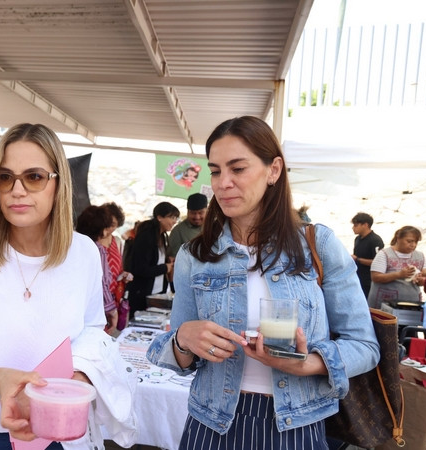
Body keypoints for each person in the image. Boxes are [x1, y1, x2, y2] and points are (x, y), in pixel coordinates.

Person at [146, 115, 379, 449]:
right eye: (215, 171)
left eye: (238, 168)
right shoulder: (194, 256)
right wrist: (183, 339)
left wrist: (307, 364)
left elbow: (365, 346)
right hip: (211, 423)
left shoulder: (319, 245)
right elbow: (179, 357)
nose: (222, 183)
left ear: (274, 170)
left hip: (297, 427)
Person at [0, 123, 136, 449]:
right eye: (5, 177)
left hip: (60, 428)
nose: (17, 190)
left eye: (34, 177)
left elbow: (91, 333)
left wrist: (78, 376)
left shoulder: (83, 253)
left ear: (58, 183)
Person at [125, 202, 180, 317]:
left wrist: (167, 262)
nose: (174, 221)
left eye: (176, 218)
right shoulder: (146, 236)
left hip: (157, 292)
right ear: (159, 217)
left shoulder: (161, 236)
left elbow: (155, 261)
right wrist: (165, 268)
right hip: (142, 293)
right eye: (172, 217)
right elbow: (141, 268)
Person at [76, 205, 119, 334]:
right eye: (105, 228)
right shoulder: (97, 249)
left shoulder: (71, 244)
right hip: (91, 311)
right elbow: (102, 282)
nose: (106, 233)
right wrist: (112, 310)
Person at [368, 225, 426, 309]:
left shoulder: (420, 256)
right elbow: (375, 277)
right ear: (398, 238)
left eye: (416, 242)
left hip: (411, 303)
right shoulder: (384, 254)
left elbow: (425, 275)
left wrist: (421, 279)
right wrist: (399, 274)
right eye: (409, 241)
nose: (413, 245)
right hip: (386, 303)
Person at [99, 202, 131, 330]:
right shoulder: (92, 241)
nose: (109, 228)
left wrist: (124, 275)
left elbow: (119, 269)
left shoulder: (117, 242)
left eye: (113, 225)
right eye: (107, 223)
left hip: (113, 298)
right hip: (96, 298)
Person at [350, 212, 384, 297]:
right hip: (358, 278)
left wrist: (358, 259)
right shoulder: (357, 239)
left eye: (356, 225)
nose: (353, 228)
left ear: (365, 225)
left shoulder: (375, 240)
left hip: (369, 281)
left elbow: (378, 263)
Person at [167, 193, 207, 260]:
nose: (197, 217)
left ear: (207, 211)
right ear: (188, 212)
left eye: (201, 213)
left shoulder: (215, 226)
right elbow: (174, 258)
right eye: (193, 213)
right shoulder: (178, 231)